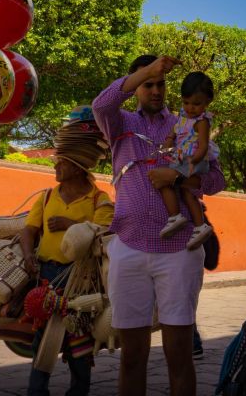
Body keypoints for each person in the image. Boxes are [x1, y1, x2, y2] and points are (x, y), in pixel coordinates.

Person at [92, 55, 226, 396]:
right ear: (136, 86)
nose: (154, 90)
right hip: (129, 249)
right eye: (147, 84)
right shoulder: (118, 124)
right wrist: (145, 71)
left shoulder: (186, 123)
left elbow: (216, 179)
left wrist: (179, 175)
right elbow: (101, 102)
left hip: (179, 251)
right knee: (132, 356)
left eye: (160, 83)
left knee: (179, 354)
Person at [19, 108, 115, 396]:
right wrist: (27, 256)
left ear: (75, 166)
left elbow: (104, 236)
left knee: (79, 341)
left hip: (81, 280)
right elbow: (28, 231)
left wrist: (71, 224)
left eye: (60, 162)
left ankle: (78, 390)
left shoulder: (100, 199)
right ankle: (37, 391)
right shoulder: (46, 196)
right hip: (47, 275)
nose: (55, 167)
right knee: (42, 338)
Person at [151, 71, 218, 250]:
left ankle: (176, 216)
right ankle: (199, 225)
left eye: (196, 104)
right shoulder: (183, 115)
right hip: (183, 157)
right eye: (186, 102)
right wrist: (169, 139)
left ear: (207, 102)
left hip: (194, 159)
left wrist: (191, 163)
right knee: (187, 192)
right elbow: (176, 130)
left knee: (164, 182)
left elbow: (203, 146)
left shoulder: (202, 121)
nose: (190, 108)